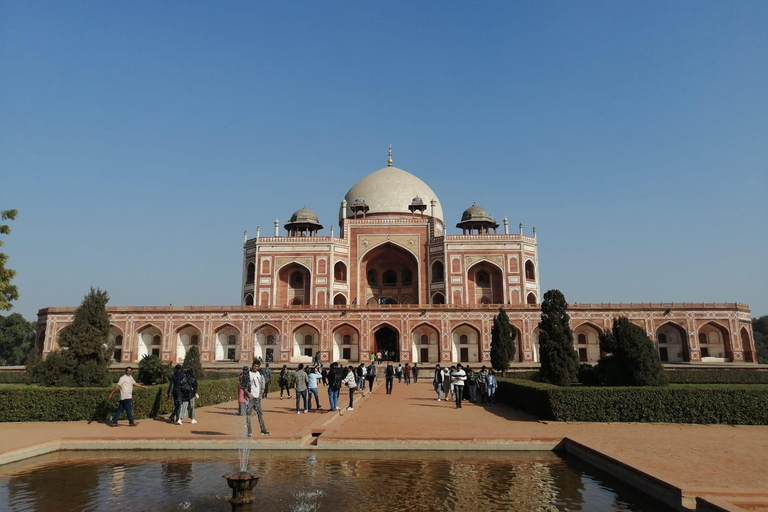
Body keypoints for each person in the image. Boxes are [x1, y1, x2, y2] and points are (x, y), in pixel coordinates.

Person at [242, 361, 270, 437]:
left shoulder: (260, 374)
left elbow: (262, 384)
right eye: (254, 366)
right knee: (248, 414)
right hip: (251, 397)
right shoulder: (247, 374)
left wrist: (261, 393)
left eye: (257, 366)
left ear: (259, 367)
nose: (255, 367)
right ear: (252, 366)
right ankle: (249, 432)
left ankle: (263, 430)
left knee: (260, 414)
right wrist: (248, 394)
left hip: (258, 397)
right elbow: (243, 385)